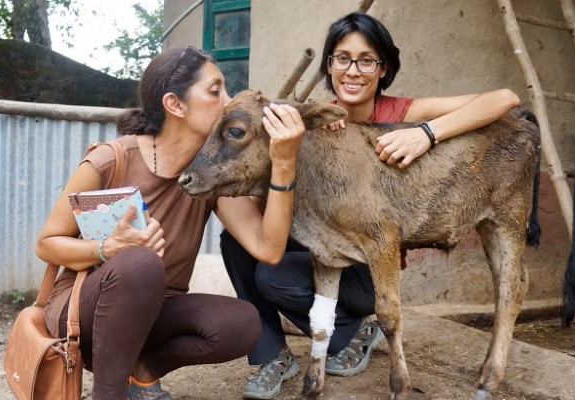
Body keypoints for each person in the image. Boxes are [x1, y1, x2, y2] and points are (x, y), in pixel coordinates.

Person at [220, 12, 522, 399]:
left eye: (367, 60)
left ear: (383, 69)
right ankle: (273, 356)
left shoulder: (402, 113)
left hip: (369, 262)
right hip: (320, 238)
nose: (353, 71)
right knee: (237, 243)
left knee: (272, 277)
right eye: (342, 58)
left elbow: (507, 100)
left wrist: (426, 134)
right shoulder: (315, 118)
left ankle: (356, 332)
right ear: (329, 64)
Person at [35, 46, 307, 400]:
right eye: (215, 91)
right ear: (175, 105)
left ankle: (142, 371)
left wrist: (283, 164)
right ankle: (110, 393)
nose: (228, 102)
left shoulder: (209, 177)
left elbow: (268, 248)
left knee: (242, 323)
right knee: (138, 261)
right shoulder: (111, 160)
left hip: (154, 314)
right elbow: (47, 243)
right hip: (86, 309)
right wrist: (107, 248)